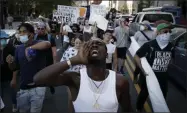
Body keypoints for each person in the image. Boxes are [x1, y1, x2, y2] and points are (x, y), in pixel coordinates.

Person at [34, 38, 132, 112]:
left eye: (99, 44)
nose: (94, 45)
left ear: (106, 54)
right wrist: (74, 60)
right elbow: (38, 79)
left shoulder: (120, 81)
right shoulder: (76, 78)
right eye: (89, 45)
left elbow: (128, 110)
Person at [6, 23, 51, 113]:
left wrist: (30, 48)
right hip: (23, 88)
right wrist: (10, 63)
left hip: (38, 87)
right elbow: (15, 67)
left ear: (31, 34)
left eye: (24, 32)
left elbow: (47, 44)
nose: (22, 34)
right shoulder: (18, 49)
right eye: (20, 32)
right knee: (23, 110)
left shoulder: (38, 43)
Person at [134, 23, 174, 112]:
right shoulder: (150, 45)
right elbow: (137, 56)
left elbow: (172, 59)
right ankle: (139, 108)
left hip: (163, 77)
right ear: (158, 33)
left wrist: (167, 64)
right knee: (144, 93)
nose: (167, 33)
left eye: (169, 31)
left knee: (162, 95)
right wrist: (142, 69)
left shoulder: (170, 46)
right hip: (150, 76)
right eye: (165, 31)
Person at [34, 22, 57, 94]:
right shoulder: (35, 37)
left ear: (45, 29)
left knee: (49, 75)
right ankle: (39, 90)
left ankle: (51, 85)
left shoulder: (50, 37)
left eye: (42, 29)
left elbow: (54, 51)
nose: (40, 30)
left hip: (48, 60)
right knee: (38, 76)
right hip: (38, 61)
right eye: (38, 28)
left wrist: (55, 63)